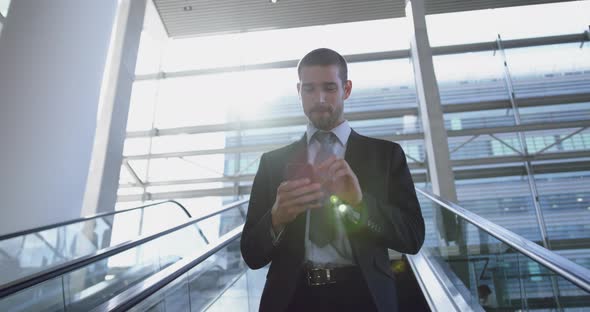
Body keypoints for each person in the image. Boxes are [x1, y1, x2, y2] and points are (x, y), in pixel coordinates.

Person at [240, 48, 425, 312]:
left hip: (364, 297)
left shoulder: (386, 156)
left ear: (346, 89)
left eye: (329, 88)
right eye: (309, 89)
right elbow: (251, 254)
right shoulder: (272, 163)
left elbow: (412, 237)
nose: (319, 98)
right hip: (292, 299)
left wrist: (360, 204)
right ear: (299, 91)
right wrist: (276, 218)